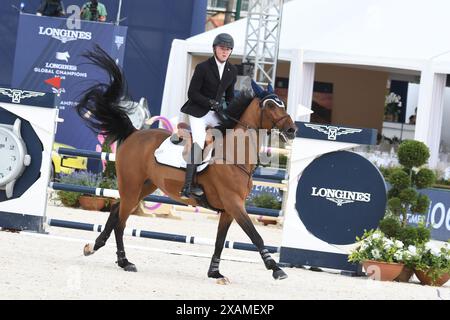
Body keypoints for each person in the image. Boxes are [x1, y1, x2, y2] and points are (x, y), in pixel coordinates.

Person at [179, 33, 238, 199]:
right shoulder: (203, 67)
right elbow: (192, 93)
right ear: (215, 49)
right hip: (199, 111)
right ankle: (188, 186)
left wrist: (232, 113)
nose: (224, 52)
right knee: (198, 140)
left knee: (228, 136)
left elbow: (230, 96)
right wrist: (210, 103)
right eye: (222, 48)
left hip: (216, 113)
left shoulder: (231, 70)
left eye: (228, 49)